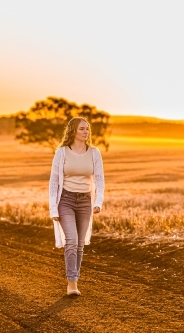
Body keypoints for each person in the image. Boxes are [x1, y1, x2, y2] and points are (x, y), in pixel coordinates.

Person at [48, 117, 105, 296]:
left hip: (85, 201)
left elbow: (100, 180)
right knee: (71, 241)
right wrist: (53, 208)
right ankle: (71, 283)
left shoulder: (94, 153)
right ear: (73, 131)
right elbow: (54, 182)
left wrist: (98, 202)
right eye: (82, 129)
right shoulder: (62, 152)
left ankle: (75, 279)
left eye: (87, 129)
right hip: (65, 200)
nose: (86, 132)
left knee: (80, 244)